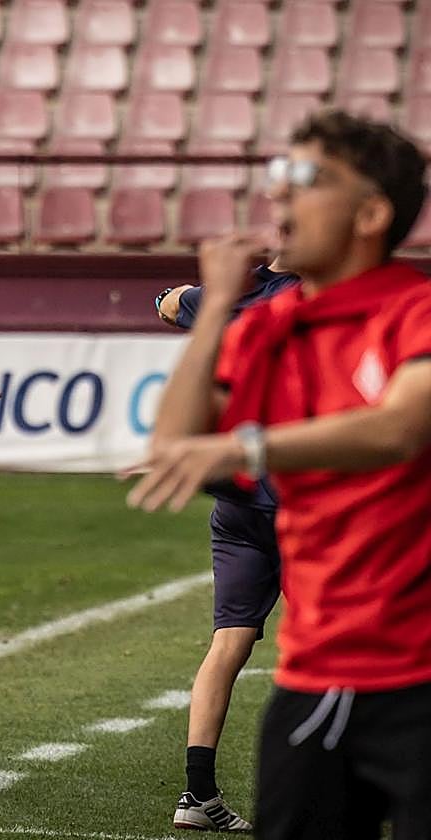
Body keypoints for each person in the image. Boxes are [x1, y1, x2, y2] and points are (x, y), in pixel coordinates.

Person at [128, 109, 431, 839]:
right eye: (278, 178)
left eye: (306, 180)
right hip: (315, 675)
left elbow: (401, 427)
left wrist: (247, 450)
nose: (279, 199)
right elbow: (175, 440)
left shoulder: (416, 311)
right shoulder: (265, 324)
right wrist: (213, 314)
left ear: (371, 213)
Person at [155, 262, 299, 833]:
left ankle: (198, 793)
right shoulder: (308, 296)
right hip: (294, 499)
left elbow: (166, 301)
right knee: (324, 646)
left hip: (235, 504)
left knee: (227, 645)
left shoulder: (226, 298)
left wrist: (184, 294)